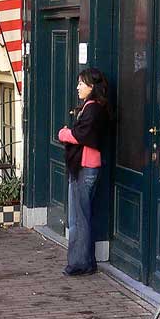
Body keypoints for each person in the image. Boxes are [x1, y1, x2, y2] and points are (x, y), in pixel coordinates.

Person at [57, 68, 109, 277]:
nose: (77, 87)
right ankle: (86, 261)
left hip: (85, 167)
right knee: (81, 216)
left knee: (79, 218)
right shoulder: (92, 107)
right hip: (85, 167)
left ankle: (79, 263)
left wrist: (64, 133)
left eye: (81, 83)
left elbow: (81, 135)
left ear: (92, 87)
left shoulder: (93, 109)